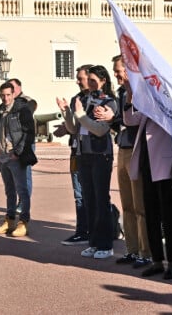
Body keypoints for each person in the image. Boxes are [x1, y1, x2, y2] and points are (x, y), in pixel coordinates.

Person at [57, 65, 117, 259]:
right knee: (89, 201)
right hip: (83, 155)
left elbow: (100, 130)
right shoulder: (82, 99)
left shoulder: (108, 101)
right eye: (88, 80)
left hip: (100, 155)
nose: (89, 84)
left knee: (101, 200)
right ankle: (93, 242)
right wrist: (67, 112)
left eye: (93, 81)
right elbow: (74, 129)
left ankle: (106, 244)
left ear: (103, 81)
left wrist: (81, 115)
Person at [106, 55, 151, 268]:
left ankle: (146, 251)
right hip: (122, 149)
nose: (115, 75)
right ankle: (132, 250)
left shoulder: (142, 90)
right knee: (127, 205)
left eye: (118, 71)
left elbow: (139, 120)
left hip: (138, 149)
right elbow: (120, 120)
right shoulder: (121, 93)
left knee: (140, 205)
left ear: (129, 70)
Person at [129, 100, 172, 280]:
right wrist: (129, 93)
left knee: (170, 218)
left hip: (166, 167)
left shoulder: (171, 106)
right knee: (151, 216)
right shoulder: (148, 105)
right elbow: (130, 120)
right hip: (147, 166)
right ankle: (157, 260)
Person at [0, 81, 37, 237]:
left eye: (8, 95)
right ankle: (9, 220)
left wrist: (17, 152)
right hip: (3, 157)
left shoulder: (22, 110)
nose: (5, 98)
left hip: (15, 156)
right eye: (2, 95)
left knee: (22, 191)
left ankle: (23, 222)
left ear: (13, 94)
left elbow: (29, 133)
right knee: (9, 191)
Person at [57, 64, 92, 246]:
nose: (77, 81)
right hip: (76, 151)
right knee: (79, 194)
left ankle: (97, 230)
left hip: (92, 153)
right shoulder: (75, 99)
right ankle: (82, 231)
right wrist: (66, 112)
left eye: (81, 78)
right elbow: (72, 129)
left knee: (93, 194)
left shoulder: (98, 99)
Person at [9, 78, 37, 213]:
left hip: (25, 142)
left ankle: (23, 204)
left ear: (19, 88)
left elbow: (31, 107)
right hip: (12, 143)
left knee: (25, 175)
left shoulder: (27, 100)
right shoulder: (8, 102)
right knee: (14, 175)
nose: (11, 91)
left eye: (13, 88)